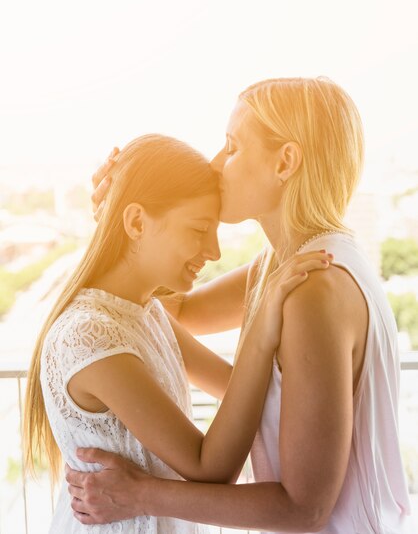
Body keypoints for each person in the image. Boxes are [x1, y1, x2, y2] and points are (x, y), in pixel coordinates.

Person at [66, 77, 413, 534]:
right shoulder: (284, 264)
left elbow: (303, 510)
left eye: (231, 147)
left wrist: (138, 493)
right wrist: (124, 216)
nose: (214, 165)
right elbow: (182, 310)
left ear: (285, 162)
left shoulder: (314, 289)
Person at [23, 133, 328, 534]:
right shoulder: (91, 337)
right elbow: (210, 468)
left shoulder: (146, 313)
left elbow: (245, 393)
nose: (215, 250)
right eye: (200, 228)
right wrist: (261, 327)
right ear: (135, 221)